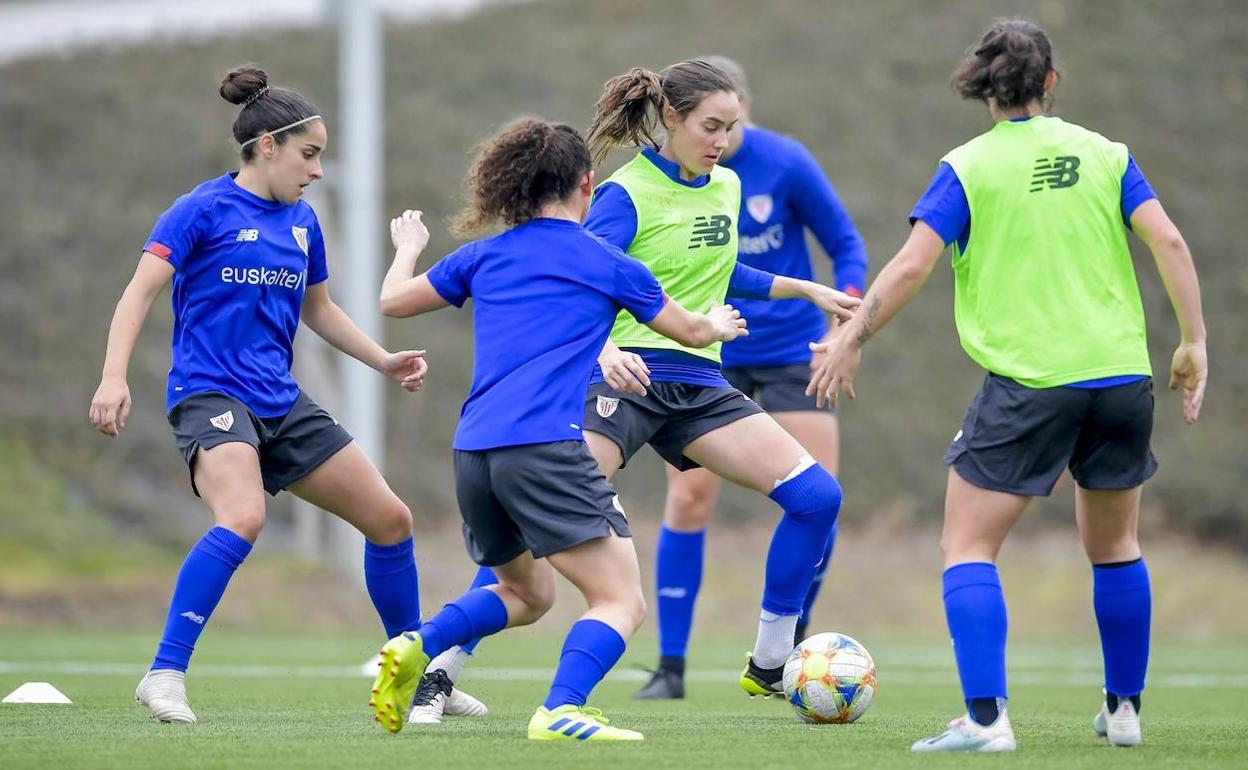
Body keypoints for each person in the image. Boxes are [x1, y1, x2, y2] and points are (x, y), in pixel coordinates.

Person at [808, 19, 1207, 752]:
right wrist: (1193, 340)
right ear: (1051, 83)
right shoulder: (1106, 154)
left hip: (1032, 382)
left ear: (983, 88)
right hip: (1122, 377)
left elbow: (909, 268)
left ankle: (987, 721)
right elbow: (1170, 242)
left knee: (967, 545)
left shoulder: (967, 167)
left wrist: (849, 337)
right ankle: (1124, 713)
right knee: (1117, 546)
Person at [372, 117, 748, 740]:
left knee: (527, 594)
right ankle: (561, 710)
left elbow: (392, 302)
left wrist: (408, 247)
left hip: (473, 454)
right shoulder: (608, 261)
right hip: (545, 446)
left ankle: (418, 641)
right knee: (621, 600)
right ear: (587, 185)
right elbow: (689, 333)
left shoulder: (483, 255)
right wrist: (720, 323)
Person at [88, 66, 438, 725]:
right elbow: (138, 293)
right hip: (210, 394)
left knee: (392, 522)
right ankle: (164, 674)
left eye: (322, 158)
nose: (318, 172)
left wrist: (383, 361)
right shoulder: (201, 210)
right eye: (310, 155)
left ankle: (416, 678)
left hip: (281, 402)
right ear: (268, 146)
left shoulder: (304, 224)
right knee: (243, 516)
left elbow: (322, 312)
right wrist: (113, 375)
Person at [580, 59, 860, 700]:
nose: (721, 141)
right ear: (671, 118)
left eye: (731, 129)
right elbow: (579, 281)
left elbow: (721, 269)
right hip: (630, 377)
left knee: (818, 498)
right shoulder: (627, 194)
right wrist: (601, 352)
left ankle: (769, 660)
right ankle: (444, 659)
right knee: (549, 513)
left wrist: (804, 287)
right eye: (710, 126)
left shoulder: (726, 185)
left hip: (700, 384)